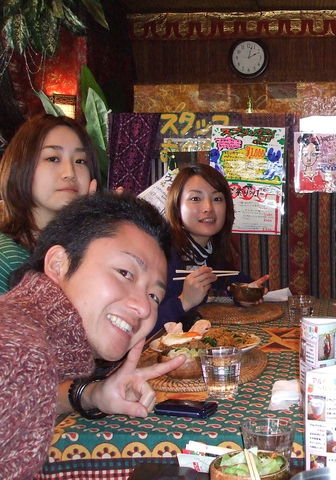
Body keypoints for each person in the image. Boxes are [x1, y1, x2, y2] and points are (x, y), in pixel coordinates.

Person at [0, 192, 185, 480]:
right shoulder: (19, 350)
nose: (143, 307)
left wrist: (91, 394)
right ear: (58, 264)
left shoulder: (29, 336)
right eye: (125, 272)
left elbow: (27, 397)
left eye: (154, 295)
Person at [0, 114, 100, 293]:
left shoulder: (82, 248)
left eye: (80, 161)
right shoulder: (8, 258)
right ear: (20, 166)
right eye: (53, 158)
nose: (70, 173)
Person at [154, 164, 255, 335]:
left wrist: (244, 293)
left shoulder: (209, 252)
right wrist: (184, 301)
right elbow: (137, 325)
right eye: (195, 198)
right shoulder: (161, 256)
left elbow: (231, 280)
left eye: (217, 199)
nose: (208, 207)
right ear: (177, 206)